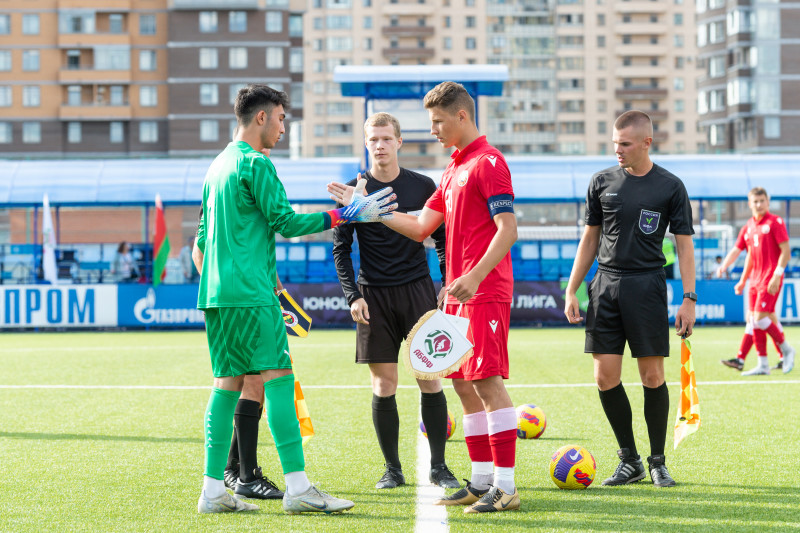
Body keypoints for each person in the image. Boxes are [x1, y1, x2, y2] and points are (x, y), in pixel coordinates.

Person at [194, 83, 396, 514]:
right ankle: (299, 489)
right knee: (279, 378)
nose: (285, 127)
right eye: (282, 118)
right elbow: (284, 222)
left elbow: (201, 241)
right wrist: (347, 213)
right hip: (250, 295)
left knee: (226, 384)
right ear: (262, 117)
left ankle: (213, 491)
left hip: (216, 295)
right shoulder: (256, 164)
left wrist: (226, 282)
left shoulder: (216, 166)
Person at [330, 81, 520, 513]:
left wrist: (472, 275)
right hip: (456, 292)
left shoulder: (489, 163)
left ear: (461, 116)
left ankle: (506, 488)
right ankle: (481, 480)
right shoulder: (453, 169)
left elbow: (508, 230)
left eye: (436, 121)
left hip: (483, 289)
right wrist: (370, 210)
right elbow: (419, 228)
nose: (432, 129)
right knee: (461, 383)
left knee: (487, 382)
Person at [564, 110, 696, 488]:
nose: (617, 150)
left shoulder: (670, 186)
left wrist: (689, 297)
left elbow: (684, 247)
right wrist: (573, 288)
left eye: (624, 143)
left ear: (646, 143)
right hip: (605, 285)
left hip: (647, 286)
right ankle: (630, 460)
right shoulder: (601, 181)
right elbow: (589, 238)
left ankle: (657, 462)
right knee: (605, 377)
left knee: (652, 375)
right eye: (614, 143)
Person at [332, 112, 459, 491]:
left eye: (387, 139)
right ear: (366, 143)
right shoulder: (356, 192)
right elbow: (341, 249)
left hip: (419, 290)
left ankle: (439, 466)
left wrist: (446, 281)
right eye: (373, 140)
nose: (380, 146)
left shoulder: (422, 186)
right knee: (383, 384)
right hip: (373, 295)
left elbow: (442, 237)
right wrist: (352, 295)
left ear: (399, 142)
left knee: (429, 380)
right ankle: (392, 469)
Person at [715, 187, 794, 374]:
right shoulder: (748, 227)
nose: (758, 204)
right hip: (754, 280)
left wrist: (777, 273)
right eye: (755, 201)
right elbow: (741, 252)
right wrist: (725, 267)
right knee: (755, 319)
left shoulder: (775, 222)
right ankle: (763, 364)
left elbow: (786, 251)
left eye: (762, 201)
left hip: (770, 277)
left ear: (768, 201)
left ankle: (787, 350)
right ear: (749, 204)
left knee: (759, 317)